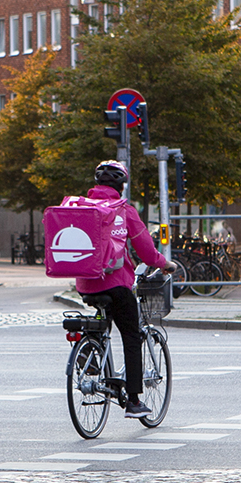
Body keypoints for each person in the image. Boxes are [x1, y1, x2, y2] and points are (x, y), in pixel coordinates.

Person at [76, 160, 177, 418]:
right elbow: (146, 251)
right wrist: (165, 264)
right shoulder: (124, 210)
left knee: (102, 320)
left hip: (85, 283)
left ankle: (89, 349)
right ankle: (133, 400)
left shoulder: (81, 207)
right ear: (121, 186)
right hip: (116, 284)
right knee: (132, 336)